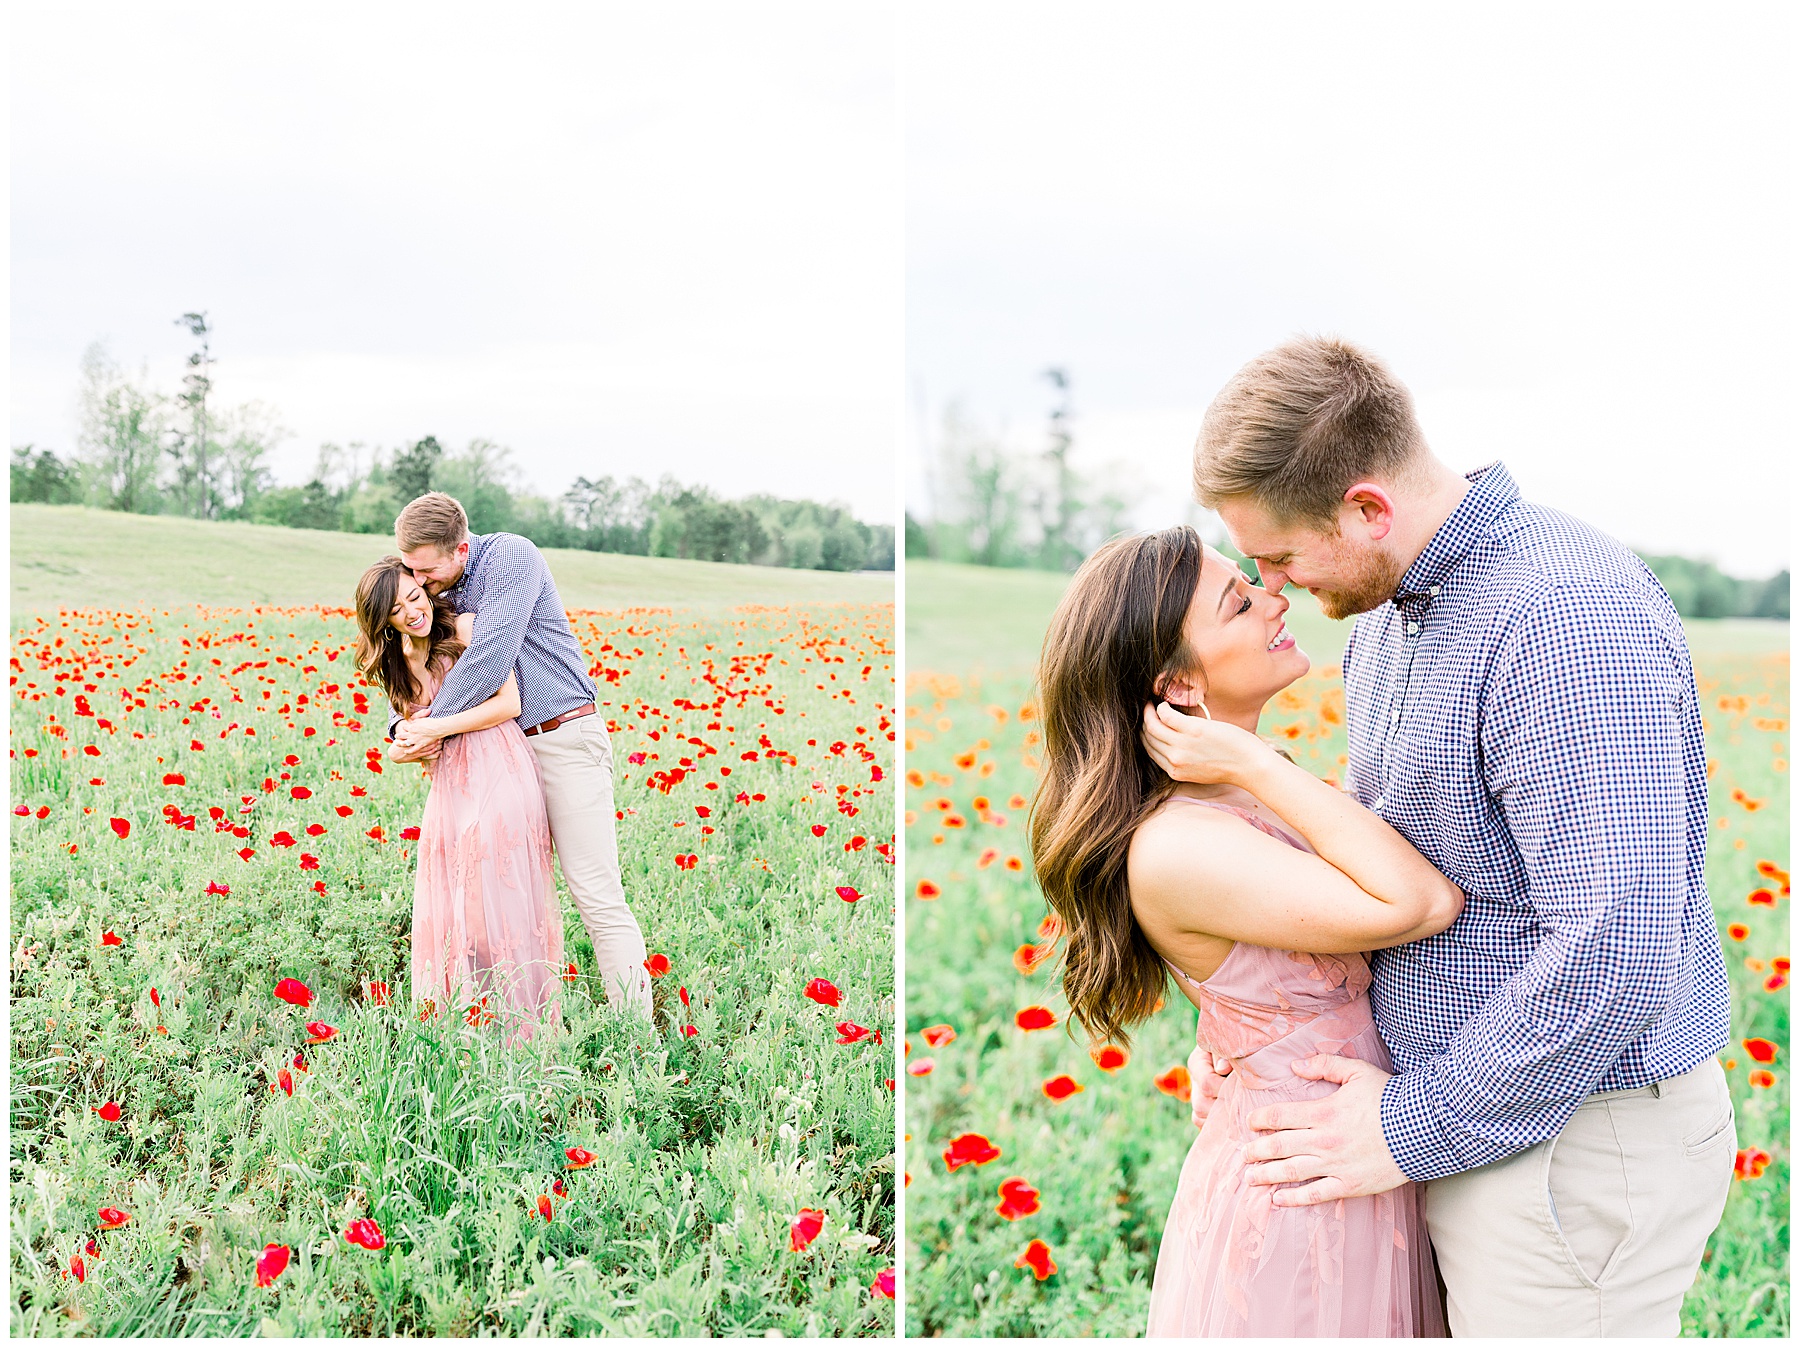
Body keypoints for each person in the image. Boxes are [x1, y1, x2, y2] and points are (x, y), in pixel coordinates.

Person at [1153, 334, 1734, 1337]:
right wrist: (1252, 1033)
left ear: (1368, 508)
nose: (1276, 586)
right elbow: (1402, 852)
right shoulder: (1389, 613)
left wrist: (1406, 1124)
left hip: (1569, 1136)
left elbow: (1615, 943)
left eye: (1282, 555)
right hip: (1471, 1121)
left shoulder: (1562, 616)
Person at [1032, 526, 1459, 1336]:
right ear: (1180, 685)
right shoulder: (1179, 842)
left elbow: (1260, 973)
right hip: (1300, 1195)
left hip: (1351, 1150)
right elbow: (1420, 905)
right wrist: (1255, 763)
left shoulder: (1247, 795)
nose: (1277, 598)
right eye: (1240, 601)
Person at [385, 492, 653, 1020]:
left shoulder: (511, 557)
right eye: (410, 569)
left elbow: (490, 657)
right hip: (495, 757)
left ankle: (636, 1036)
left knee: (595, 894)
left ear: (460, 549)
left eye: (425, 569)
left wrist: (427, 729)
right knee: (490, 903)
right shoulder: (431, 594)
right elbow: (409, 667)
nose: (417, 580)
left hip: (560, 738)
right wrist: (400, 727)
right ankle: (500, 1030)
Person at [352, 559, 563, 1047]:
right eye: (397, 608)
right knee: (457, 909)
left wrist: (433, 727)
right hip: (448, 787)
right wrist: (403, 743)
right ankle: (469, 1030)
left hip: (498, 765)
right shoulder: (395, 662)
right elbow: (405, 740)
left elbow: (509, 703)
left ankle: (524, 1034)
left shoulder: (464, 628)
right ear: (382, 618)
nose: (413, 610)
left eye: (414, 595)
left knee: (495, 898)